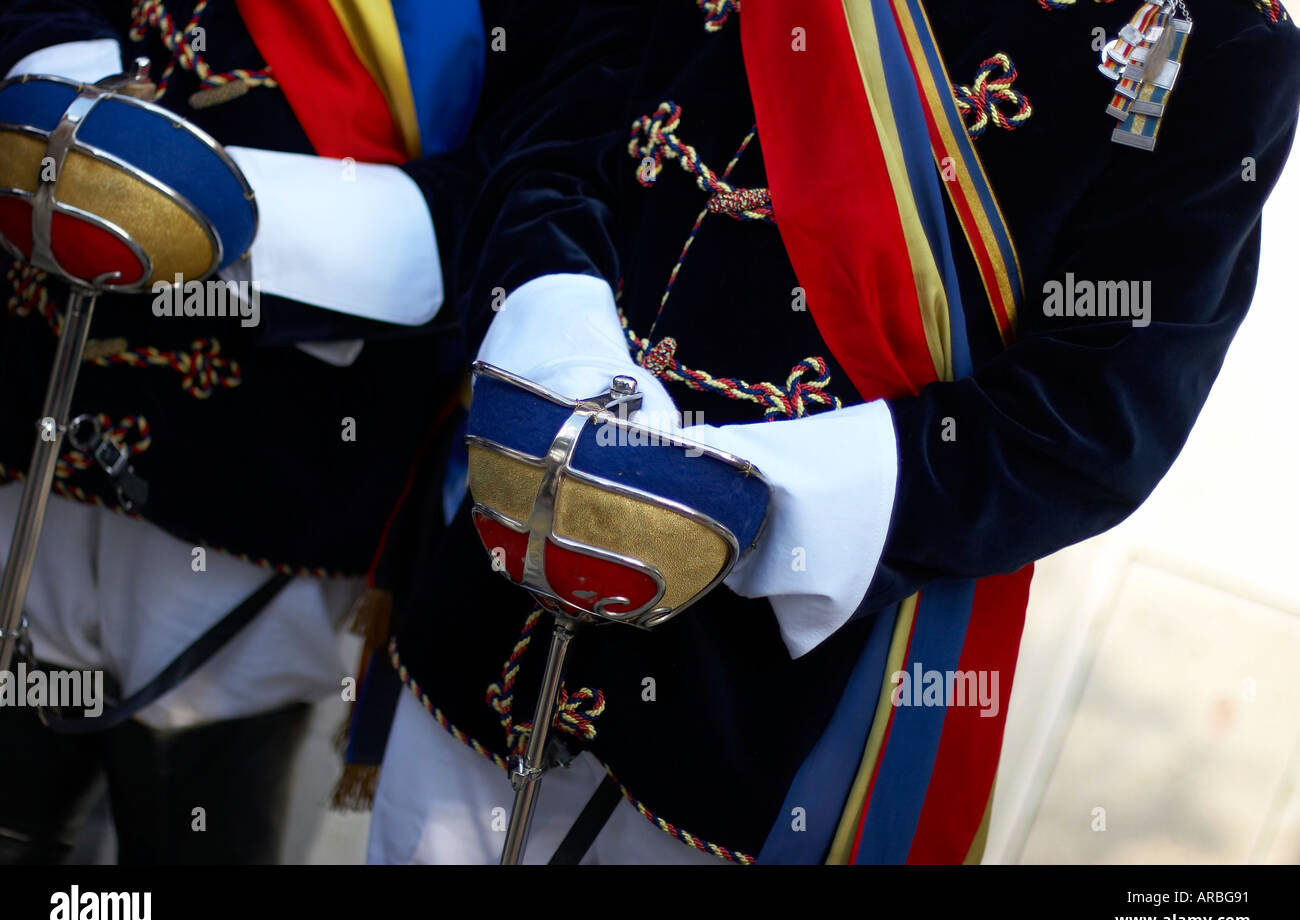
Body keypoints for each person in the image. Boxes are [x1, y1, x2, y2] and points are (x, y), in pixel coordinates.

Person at [363, 0, 1300, 864]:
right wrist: (564, 359)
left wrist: (724, 498)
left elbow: (1095, 422)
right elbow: (556, 138)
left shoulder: (1217, 43)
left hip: (771, 709)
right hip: (501, 585)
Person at [0, 0, 490, 863]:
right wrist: (48, 66)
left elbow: (525, 158)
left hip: (261, 465)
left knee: (200, 818)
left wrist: (197, 203)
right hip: (31, 406)